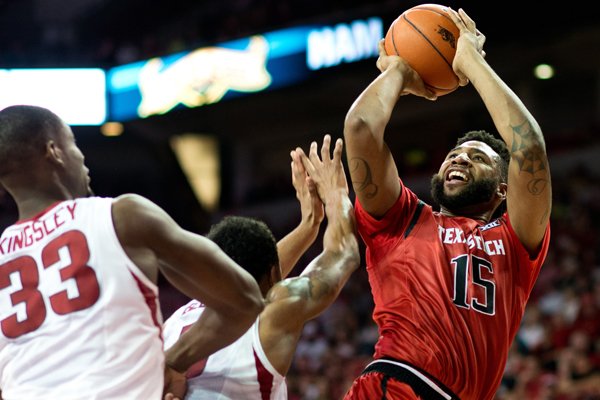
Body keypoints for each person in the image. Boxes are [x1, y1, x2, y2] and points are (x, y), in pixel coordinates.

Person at [342, 7, 552, 400]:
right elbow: (360, 129)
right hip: (395, 385)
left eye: (477, 158)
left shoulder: (516, 239)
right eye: (455, 154)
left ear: (502, 190)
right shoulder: (402, 219)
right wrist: (399, 73)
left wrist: (471, 62)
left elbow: (530, 148)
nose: (459, 158)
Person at [0, 105, 264, 400]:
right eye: (73, 144)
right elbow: (245, 298)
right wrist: (171, 360)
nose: (82, 158)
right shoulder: (122, 216)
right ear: (54, 151)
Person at [162, 134, 360, 399]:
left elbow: (246, 273)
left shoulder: (174, 324)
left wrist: (308, 225)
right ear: (274, 274)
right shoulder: (270, 319)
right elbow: (342, 254)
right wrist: (337, 197)